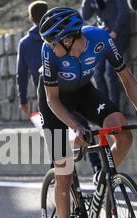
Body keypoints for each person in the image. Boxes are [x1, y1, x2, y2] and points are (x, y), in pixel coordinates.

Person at [38, 7, 137, 218]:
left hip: (83, 92)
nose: (50, 47)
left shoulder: (100, 38)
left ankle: (103, 178)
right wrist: (76, 126)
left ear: (68, 39)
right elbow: (52, 99)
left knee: (122, 133)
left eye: (54, 42)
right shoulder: (49, 53)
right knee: (64, 170)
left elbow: (125, 76)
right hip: (54, 104)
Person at [17, 1, 101, 171]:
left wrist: (23, 99)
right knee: (83, 127)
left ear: (31, 18)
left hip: (48, 95)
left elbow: (21, 74)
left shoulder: (25, 43)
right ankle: (96, 166)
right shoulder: (62, 37)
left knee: (55, 136)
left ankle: (58, 173)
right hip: (72, 87)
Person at [81, 0, 131, 108]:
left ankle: (115, 109)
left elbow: (124, 11)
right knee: (98, 73)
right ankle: (106, 109)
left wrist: (115, 31)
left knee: (110, 72)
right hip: (103, 37)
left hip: (117, 36)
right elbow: (86, 15)